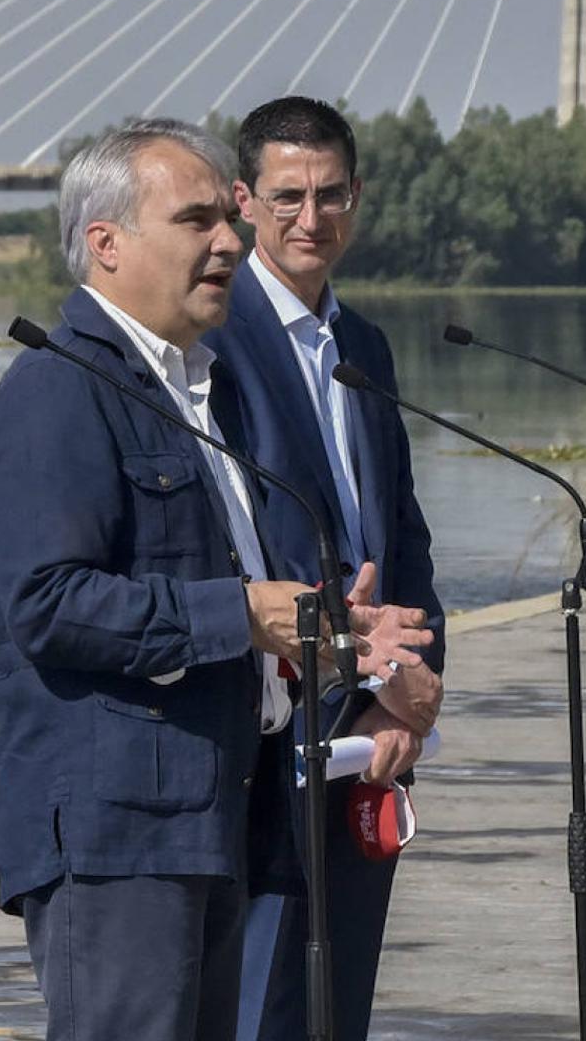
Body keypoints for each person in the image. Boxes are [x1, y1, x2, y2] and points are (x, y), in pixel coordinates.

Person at [0, 119, 431, 1041]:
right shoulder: (58, 392)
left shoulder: (193, 394)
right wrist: (245, 612)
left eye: (226, 216)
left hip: (214, 815)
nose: (229, 241)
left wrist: (330, 638)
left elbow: (224, 591)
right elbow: (46, 606)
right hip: (119, 833)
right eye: (196, 221)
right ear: (106, 243)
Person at [206, 97, 446, 1041]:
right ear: (244, 202)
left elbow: (406, 542)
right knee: (261, 1005)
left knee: (338, 1007)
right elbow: (232, 541)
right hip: (267, 733)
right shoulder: (211, 342)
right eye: (288, 197)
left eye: (332, 194)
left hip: (369, 737)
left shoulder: (365, 346)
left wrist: (407, 692)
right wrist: (348, 663)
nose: (313, 218)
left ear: (358, 196)